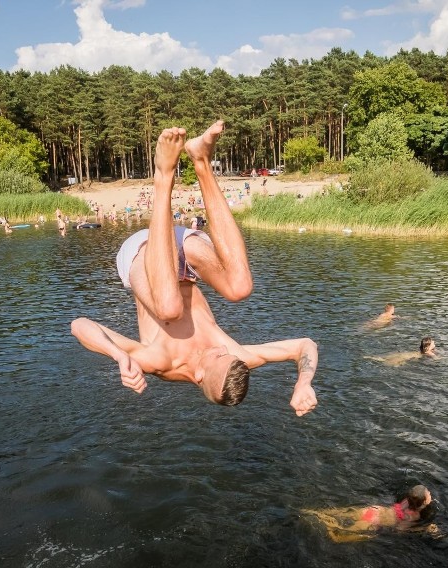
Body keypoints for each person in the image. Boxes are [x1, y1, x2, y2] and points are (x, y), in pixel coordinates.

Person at [71, 121, 318, 416]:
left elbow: (80, 325)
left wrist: (118, 355)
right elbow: (304, 345)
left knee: (169, 308)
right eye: (227, 353)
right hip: (185, 258)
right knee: (240, 288)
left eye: (217, 356)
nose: (222, 348)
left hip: (143, 253)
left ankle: (164, 174)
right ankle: (201, 160)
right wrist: (304, 382)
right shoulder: (234, 356)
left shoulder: (161, 360)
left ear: (200, 377)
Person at [303, 485, 438, 543]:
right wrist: (423, 528)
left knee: (339, 512)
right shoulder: (414, 516)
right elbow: (400, 530)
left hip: (373, 510)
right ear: (425, 501)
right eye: (429, 494)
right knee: (338, 537)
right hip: (374, 521)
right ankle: (326, 523)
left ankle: (314, 513)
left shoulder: (406, 501)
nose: (431, 494)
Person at [365, 336, 439, 367]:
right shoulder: (429, 352)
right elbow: (437, 359)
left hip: (406, 354)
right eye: (433, 343)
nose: (434, 343)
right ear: (428, 346)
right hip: (408, 357)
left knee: (384, 359)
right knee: (394, 364)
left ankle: (371, 357)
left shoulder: (423, 350)